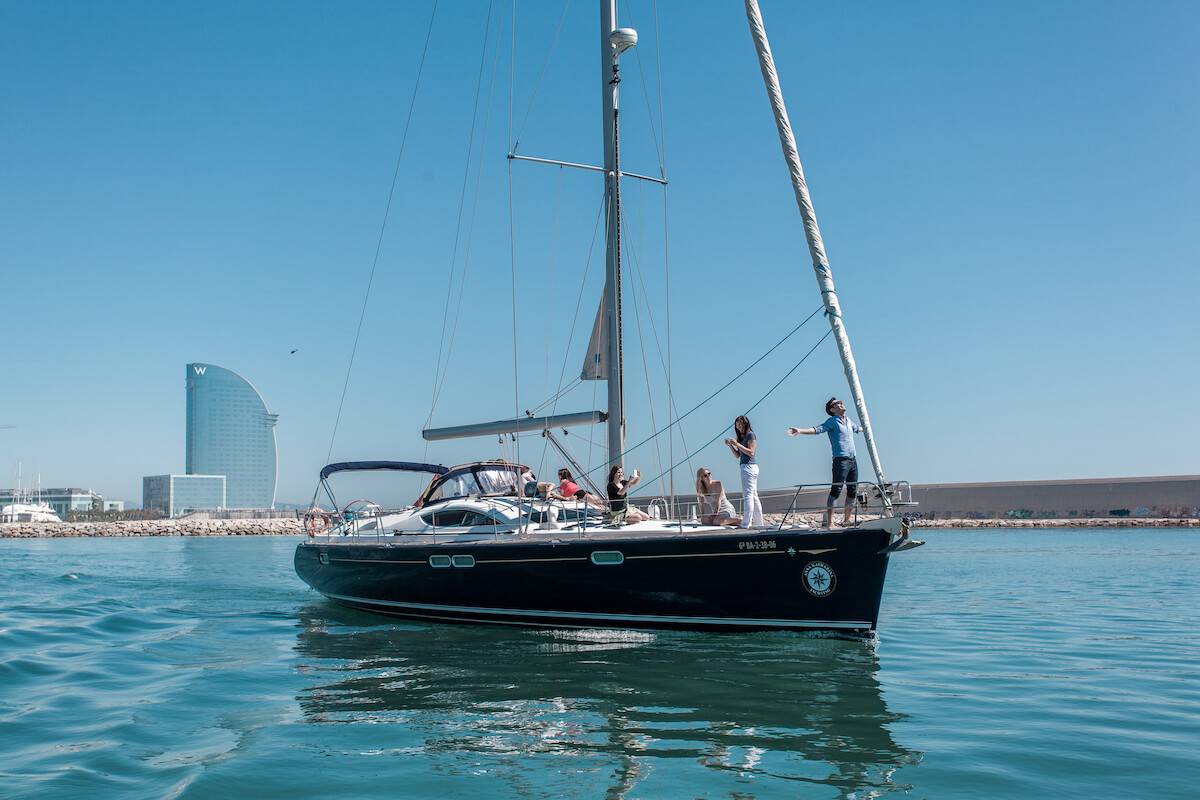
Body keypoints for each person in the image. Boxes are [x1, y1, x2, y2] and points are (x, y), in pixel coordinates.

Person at [788, 397, 862, 528]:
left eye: (841, 402)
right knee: (836, 490)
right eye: (837, 403)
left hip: (853, 461)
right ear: (832, 409)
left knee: (852, 490)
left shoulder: (849, 421)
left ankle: (847, 520)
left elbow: (858, 429)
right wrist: (800, 430)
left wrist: (866, 427)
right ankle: (830, 522)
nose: (841, 403)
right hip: (841, 460)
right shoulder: (832, 421)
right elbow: (818, 429)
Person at [724, 415, 764, 528]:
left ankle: (746, 524)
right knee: (754, 495)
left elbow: (751, 452)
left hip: (749, 467)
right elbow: (738, 455)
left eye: (741, 425)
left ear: (745, 424)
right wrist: (731, 446)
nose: (739, 427)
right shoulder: (740, 437)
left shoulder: (751, 434)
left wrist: (737, 444)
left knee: (748, 496)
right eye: (737, 425)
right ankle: (759, 523)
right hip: (745, 466)